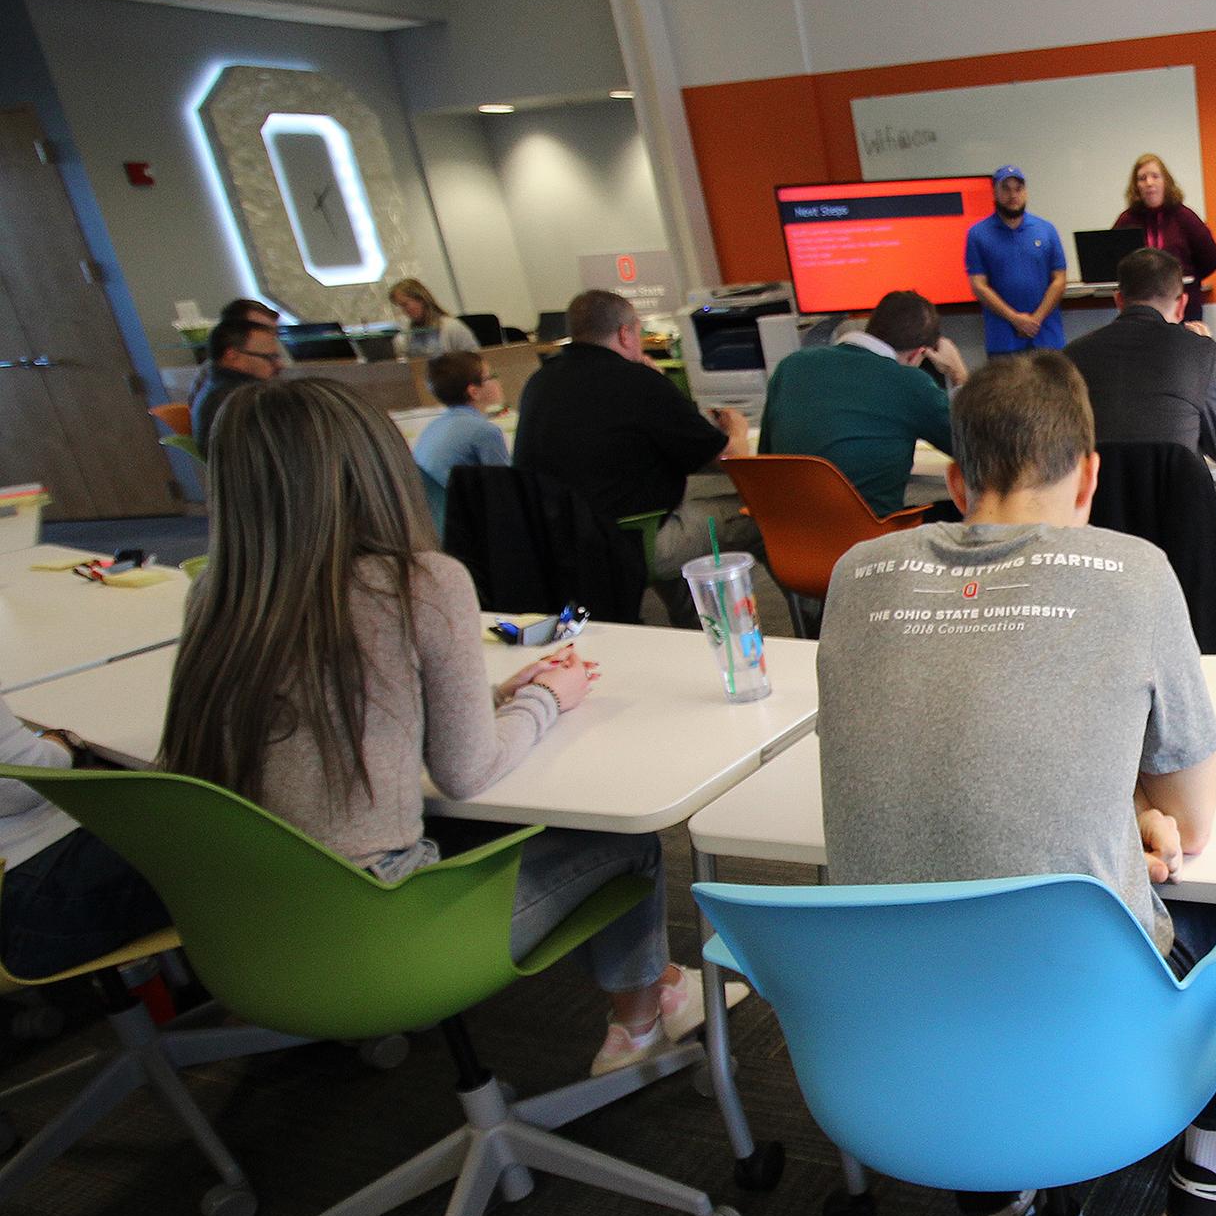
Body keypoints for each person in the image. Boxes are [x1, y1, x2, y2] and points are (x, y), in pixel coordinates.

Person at [815, 350, 1216, 1216]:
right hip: (1085, 1028)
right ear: (1091, 477)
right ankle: (1212, 1175)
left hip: (892, 1039)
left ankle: (985, 1182)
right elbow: (1191, 823)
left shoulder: (853, 576)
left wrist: (1104, 801)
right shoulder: (1135, 573)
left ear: (954, 482)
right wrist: (1132, 808)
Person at [158, 377, 739, 1075]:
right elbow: (468, 770)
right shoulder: (417, 583)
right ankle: (641, 1021)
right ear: (369, 467)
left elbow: (337, 710)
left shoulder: (217, 597)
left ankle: (667, 993)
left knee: (509, 828)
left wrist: (490, 693)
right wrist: (548, 696)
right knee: (627, 838)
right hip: (385, 929)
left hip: (248, 929)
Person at [512, 289, 761, 624]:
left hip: (556, 545)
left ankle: (696, 628)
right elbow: (727, 458)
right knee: (762, 515)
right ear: (624, 333)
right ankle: (811, 627)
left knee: (673, 518)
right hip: (630, 541)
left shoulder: (539, 382)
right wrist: (738, 429)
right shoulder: (636, 382)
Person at [0, 717, 170, 992]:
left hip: (24, 884)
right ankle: (249, 992)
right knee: (223, 821)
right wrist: (62, 742)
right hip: (30, 901)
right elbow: (19, 782)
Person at [760, 289, 960, 517]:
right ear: (917, 355)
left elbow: (765, 459)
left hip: (787, 536)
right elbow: (985, 450)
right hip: (870, 540)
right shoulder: (910, 382)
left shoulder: (791, 366)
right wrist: (958, 374)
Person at [1061, 248, 1216, 466]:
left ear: (1118, 300)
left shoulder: (1073, 354)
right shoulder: (1199, 351)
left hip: (1102, 496)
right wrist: (1201, 346)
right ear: (1182, 304)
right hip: (1181, 495)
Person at [964, 165, 1067, 355]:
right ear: (995, 192)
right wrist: (1015, 319)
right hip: (1003, 339)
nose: (1013, 195)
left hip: (1047, 335)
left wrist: (1036, 319)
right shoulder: (978, 234)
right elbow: (979, 285)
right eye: (1006, 189)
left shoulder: (1046, 230)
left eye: (1018, 189)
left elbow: (1059, 279)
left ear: (1025, 192)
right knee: (1007, 385)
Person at [1116, 152, 1216, 328]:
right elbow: (1115, 262)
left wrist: (1183, 279)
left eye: (1155, 176)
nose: (1149, 183)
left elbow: (1211, 258)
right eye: (1142, 178)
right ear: (1136, 186)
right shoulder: (1126, 221)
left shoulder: (1185, 217)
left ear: (1165, 181)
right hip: (1140, 312)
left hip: (1182, 306)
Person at [412, 349, 512, 532]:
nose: (499, 381)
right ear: (474, 392)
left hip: (435, 524)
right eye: (491, 376)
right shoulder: (485, 432)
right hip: (466, 529)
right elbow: (505, 493)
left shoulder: (434, 426)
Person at [190, 314, 285, 450]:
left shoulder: (215, 387)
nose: (280, 364)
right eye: (269, 357)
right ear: (232, 355)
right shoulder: (242, 400)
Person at [388, 278, 481, 361]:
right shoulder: (409, 333)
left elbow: (475, 360)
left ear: (421, 300)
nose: (404, 311)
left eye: (405, 305)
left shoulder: (452, 327)